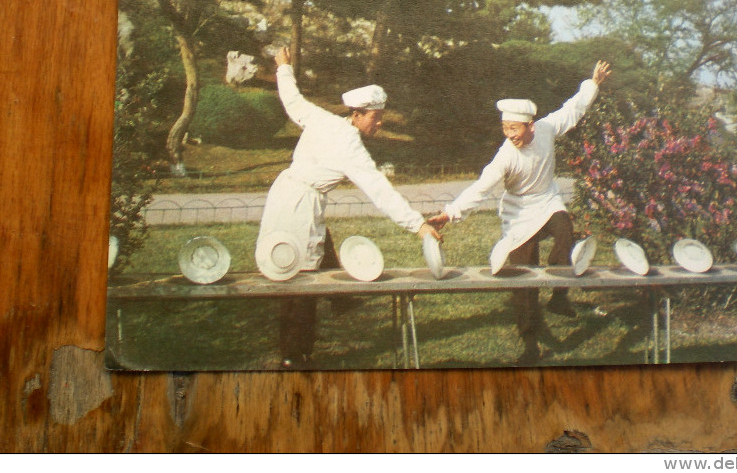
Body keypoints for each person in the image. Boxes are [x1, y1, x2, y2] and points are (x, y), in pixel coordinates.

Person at [257, 46, 442, 369]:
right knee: (299, 277)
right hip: (298, 204)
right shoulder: (350, 145)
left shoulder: (323, 119)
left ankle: (339, 300)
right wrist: (418, 225)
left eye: (382, 117)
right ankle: (294, 355)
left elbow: (292, 100)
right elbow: (380, 191)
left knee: (312, 250)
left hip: (285, 194)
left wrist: (284, 67)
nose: (380, 124)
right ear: (356, 115)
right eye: (376, 117)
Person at [427, 60, 612, 364]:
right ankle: (530, 343)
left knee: (565, 228)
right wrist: (449, 214)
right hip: (518, 214)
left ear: (531, 126)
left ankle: (559, 295)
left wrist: (593, 83)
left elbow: (573, 109)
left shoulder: (547, 129)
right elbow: (480, 189)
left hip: (547, 201)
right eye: (505, 129)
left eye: (514, 129)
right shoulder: (504, 157)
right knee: (523, 282)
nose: (509, 134)